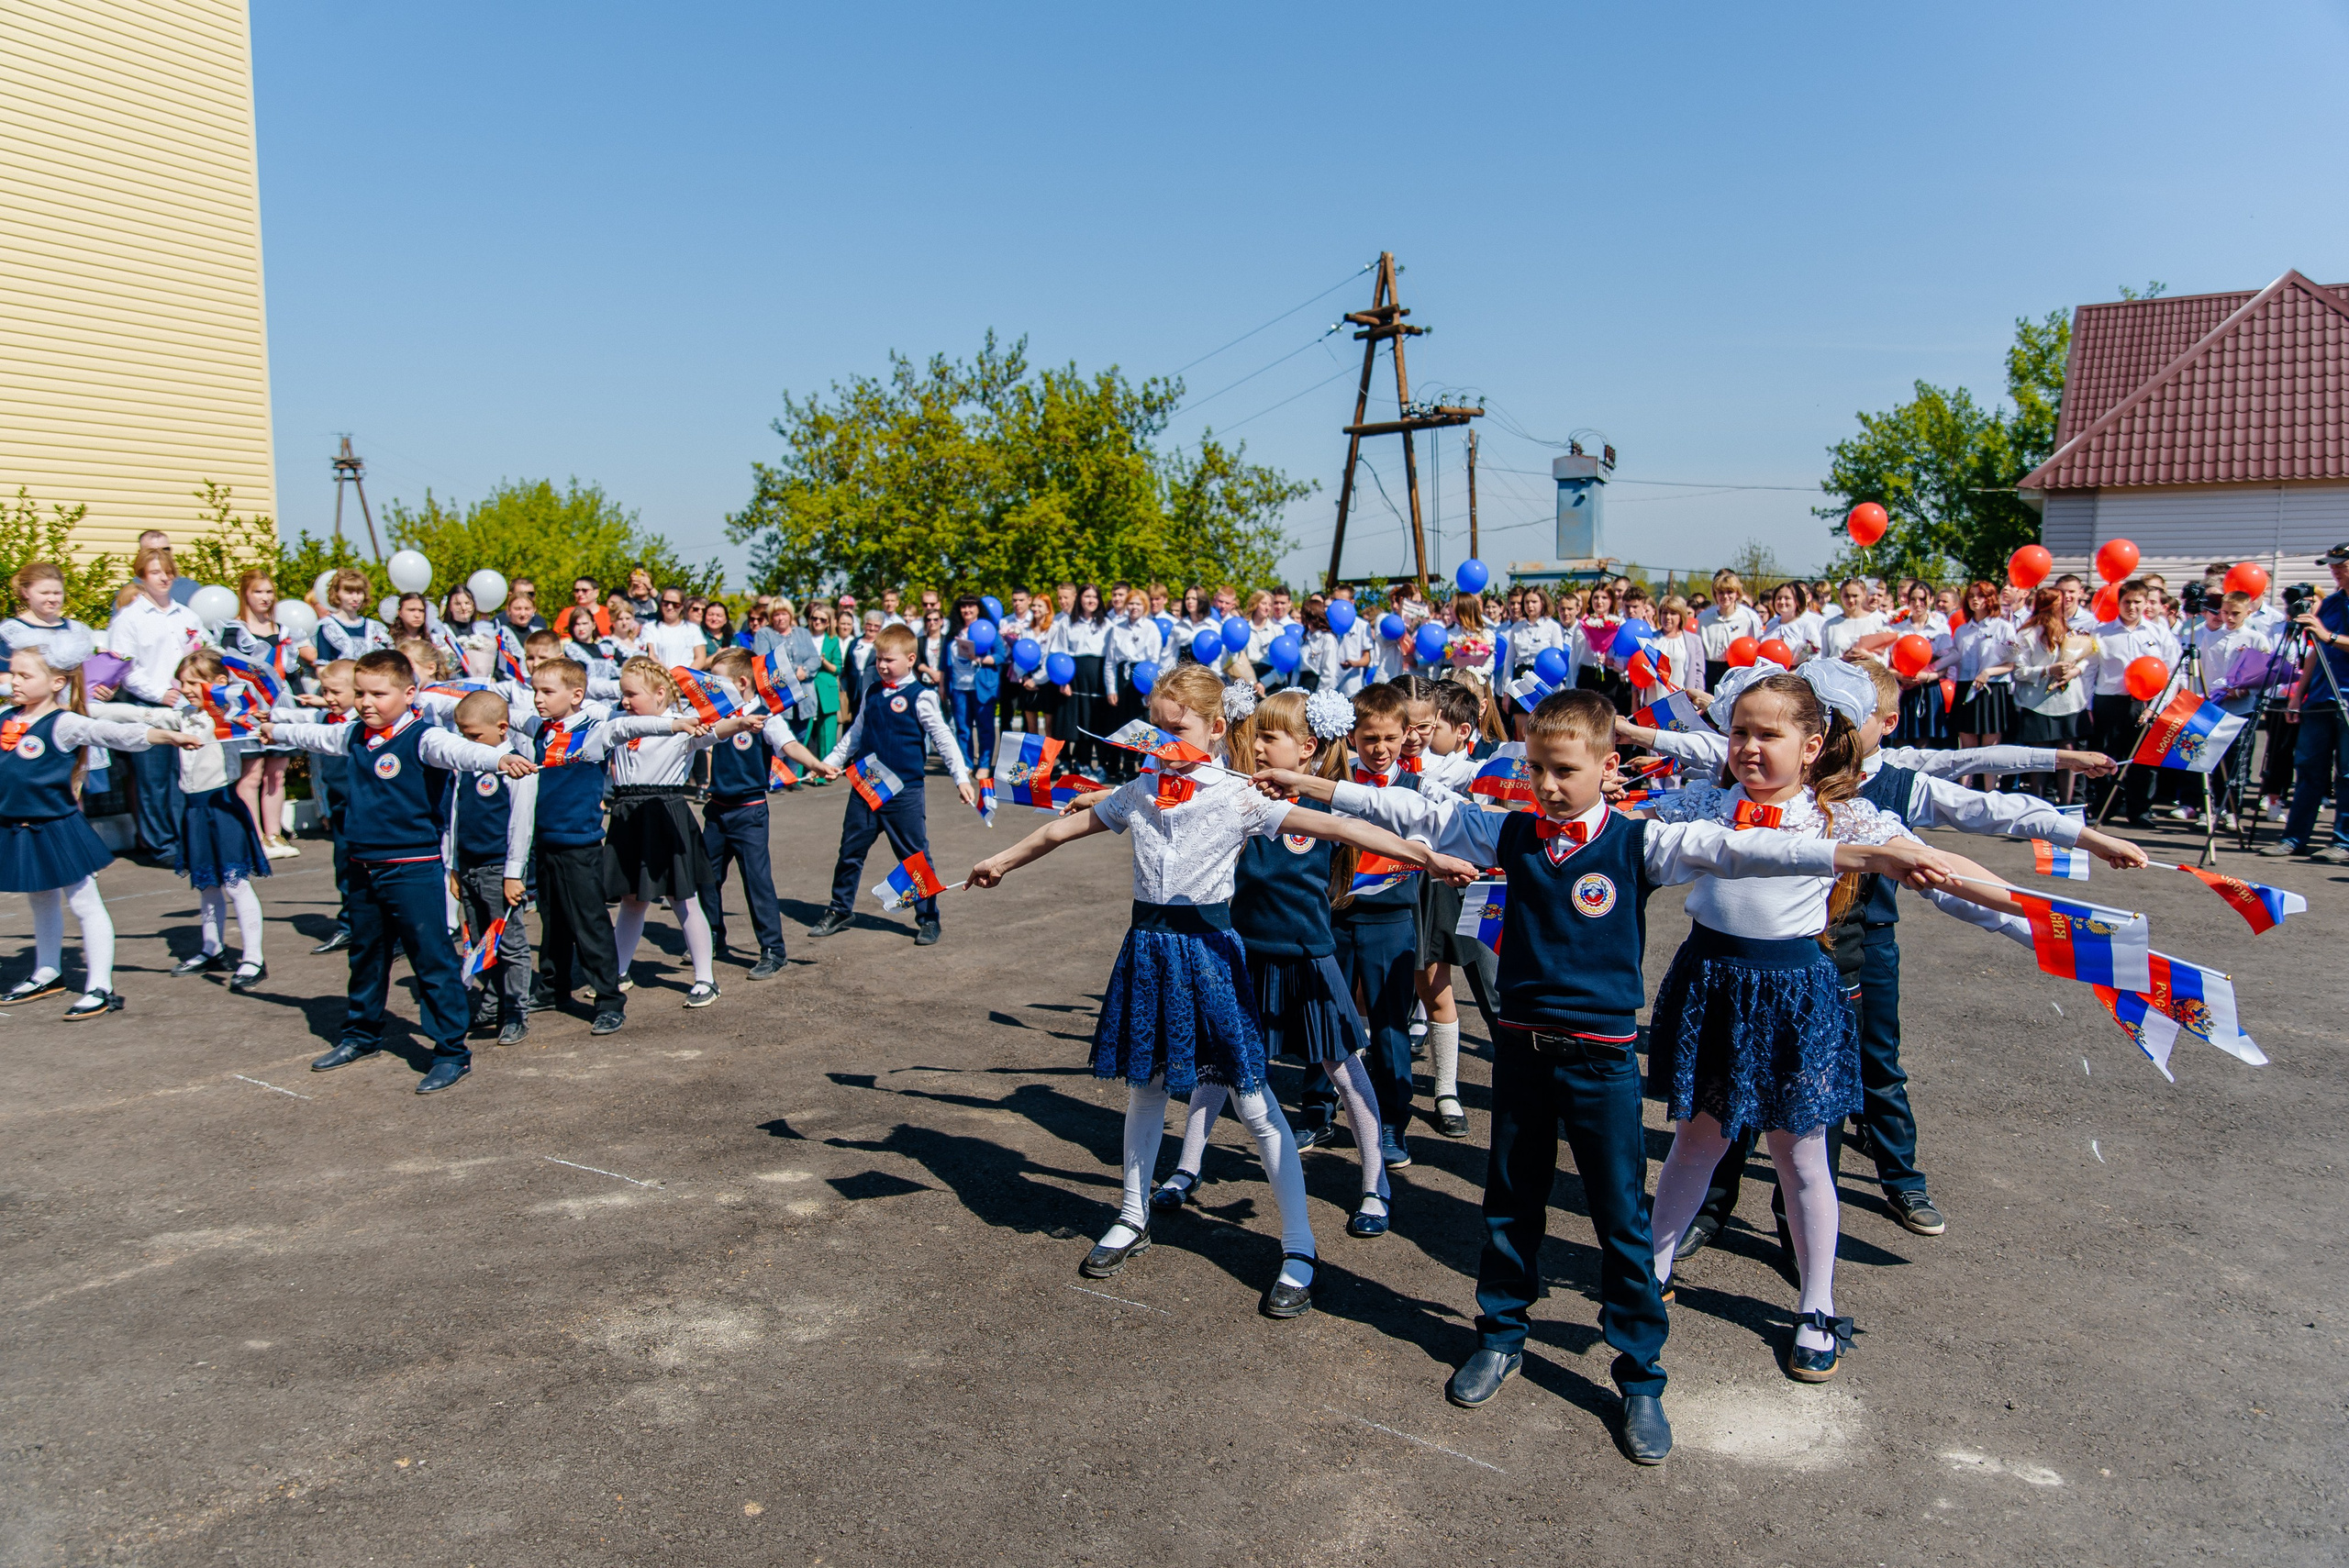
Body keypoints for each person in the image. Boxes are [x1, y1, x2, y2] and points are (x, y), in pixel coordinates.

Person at [968, 663, 1474, 1317]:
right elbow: (1062, 828)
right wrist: (1001, 861)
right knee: (1146, 1087)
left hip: (1210, 953)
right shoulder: (1142, 789)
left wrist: (1426, 856)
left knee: (1255, 1101)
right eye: (1157, 724)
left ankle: (1298, 1244)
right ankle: (1131, 1210)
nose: (1161, 738)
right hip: (1148, 951)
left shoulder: (1237, 796)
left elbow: (1343, 828)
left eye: (1176, 727)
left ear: (1213, 730)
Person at [1640, 666, 2016, 1380]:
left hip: (1794, 994)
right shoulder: (1704, 802)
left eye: (1768, 734)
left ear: (1812, 746)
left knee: (1802, 1158)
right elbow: (1617, 829)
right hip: (1711, 983)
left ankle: (1817, 1303)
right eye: (1739, 732)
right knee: (1695, 1140)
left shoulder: (1842, 818)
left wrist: (2035, 922)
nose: (1749, 747)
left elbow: (1937, 866)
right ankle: (1649, 1269)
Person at [266, 650, 535, 1093]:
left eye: (378, 693)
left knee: (431, 958)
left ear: (410, 694)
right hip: (362, 866)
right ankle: (361, 1034)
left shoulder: (424, 738)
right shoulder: (354, 734)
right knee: (366, 956)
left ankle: (451, 1051)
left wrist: (498, 760)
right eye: (360, 693)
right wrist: (271, 728)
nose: (366, 702)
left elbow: (461, 751)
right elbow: (313, 735)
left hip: (411, 868)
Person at [0, 630, 197, 1018]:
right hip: (17, 826)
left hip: (57, 826)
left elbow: (112, 731)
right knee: (39, 898)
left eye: (24, 676)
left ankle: (101, 985)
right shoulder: (7, 717)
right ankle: (47, 970)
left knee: (84, 903)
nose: (14, 682)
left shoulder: (63, 722)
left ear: (57, 682)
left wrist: (161, 735)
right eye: (12, 674)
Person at [809, 624, 977, 946]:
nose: (882, 666)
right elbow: (855, 734)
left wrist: (960, 777)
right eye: (878, 659)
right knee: (850, 851)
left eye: (889, 660)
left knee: (914, 857)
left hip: (905, 793)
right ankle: (840, 908)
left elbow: (943, 738)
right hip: (866, 789)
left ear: (911, 659)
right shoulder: (872, 692)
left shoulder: (922, 696)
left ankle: (928, 918)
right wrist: (831, 761)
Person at [1322, 681, 1426, 1171]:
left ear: (1406, 735)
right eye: (1369, 740)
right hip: (1338, 916)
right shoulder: (1336, 784)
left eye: (1389, 738)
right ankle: (1317, 1109)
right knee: (1326, 1016)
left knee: (1389, 1026)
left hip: (1391, 921)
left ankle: (1391, 1122)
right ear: (1352, 739)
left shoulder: (1419, 790)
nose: (1379, 749)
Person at [696, 650, 837, 977]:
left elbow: (789, 746)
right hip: (716, 812)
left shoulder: (765, 715)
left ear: (742, 683)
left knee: (757, 883)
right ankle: (712, 940)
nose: (712, 688)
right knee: (706, 879)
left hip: (749, 814)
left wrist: (816, 764)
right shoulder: (715, 715)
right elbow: (695, 743)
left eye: (718, 681)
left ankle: (773, 950)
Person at [153, 648, 273, 990]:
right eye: (183, 682)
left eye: (195, 682)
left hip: (222, 806)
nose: (187, 688)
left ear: (219, 682)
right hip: (194, 809)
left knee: (235, 883)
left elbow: (257, 717)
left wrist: (252, 715)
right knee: (206, 883)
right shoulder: (185, 715)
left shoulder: (229, 718)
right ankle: (212, 947)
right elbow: (141, 717)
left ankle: (253, 957)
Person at [442, 690, 538, 1045]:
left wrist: (514, 873)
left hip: (499, 870)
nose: (468, 744)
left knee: (510, 943)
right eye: (464, 737)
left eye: (474, 736)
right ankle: (493, 1000)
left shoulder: (517, 765)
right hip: (469, 867)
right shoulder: (465, 765)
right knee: (482, 941)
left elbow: (521, 825)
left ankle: (516, 1010)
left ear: (501, 728)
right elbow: (455, 817)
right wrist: (453, 866)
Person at [104, 542, 206, 867]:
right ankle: (162, 845)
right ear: (141, 577)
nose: (164, 578)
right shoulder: (129, 618)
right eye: (156, 572)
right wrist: (161, 692)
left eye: (168, 571)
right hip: (148, 706)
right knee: (154, 779)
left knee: (185, 775)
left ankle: (185, 839)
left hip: (186, 707)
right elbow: (125, 668)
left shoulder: (187, 614)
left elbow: (203, 651)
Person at [2265, 545, 2349, 862]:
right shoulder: (2332, 602)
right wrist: (2298, 694)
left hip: (2347, 700)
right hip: (2321, 698)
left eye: (2342, 564)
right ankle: (2295, 838)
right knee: (2309, 769)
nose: (2335, 569)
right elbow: (2316, 650)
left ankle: (2343, 841)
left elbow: (2325, 639)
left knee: (2347, 775)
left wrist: (2326, 636)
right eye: (2332, 565)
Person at [2087, 578, 2177, 826]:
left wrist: (2155, 707)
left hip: (2145, 703)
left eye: (2137, 602)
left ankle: (2140, 811)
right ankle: (2105, 807)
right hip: (2110, 701)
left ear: (2146, 603)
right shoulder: (2103, 632)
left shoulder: (2159, 633)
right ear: (2119, 603)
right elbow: (2090, 672)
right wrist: (2088, 707)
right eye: (2127, 602)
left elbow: (2171, 671)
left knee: (2142, 760)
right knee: (2107, 756)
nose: (2132, 607)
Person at [1052, 584, 1112, 778]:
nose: (1091, 601)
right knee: (1081, 722)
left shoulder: (1108, 625)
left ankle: (1103, 765)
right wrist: (1064, 680)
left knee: (1099, 723)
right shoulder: (1068, 623)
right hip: (1075, 679)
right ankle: (1084, 764)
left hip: (1099, 678)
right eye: (1087, 596)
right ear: (1080, 599)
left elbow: (1112, 656)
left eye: (1095, 597)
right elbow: (1060, 652)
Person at [1696, 570, 1765, 688]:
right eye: (1721, 592)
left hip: (1737, 671)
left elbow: (1757, 645)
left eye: (1730, 592)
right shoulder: (1704, 619)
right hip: (1710, 670)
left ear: (1737, 594)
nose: (1725, 596)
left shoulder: (1748, 618)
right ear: (1715, 594)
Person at [807, 603, 844, 765]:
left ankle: (824, 770)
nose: (817, 622)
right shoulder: (803, 636)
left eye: (822, 620)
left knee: (827, 733)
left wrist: (823, 661)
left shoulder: (833, 640)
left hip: (827, 688)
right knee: (804, 732)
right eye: (814, 618)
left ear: (828, 623)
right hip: (807, 687)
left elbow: (837, 668)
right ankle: (797, 773)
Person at [641, 586, 706, 671]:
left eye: (676, 604)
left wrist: (685, 676)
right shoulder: (650, 628)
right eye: (666, 603)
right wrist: (670, 676)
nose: (670, 607)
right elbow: (651, 656)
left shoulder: (693, 629)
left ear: (682, 606)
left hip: (688, 680)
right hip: (660, 678)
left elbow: (700, 658)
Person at [554, 577, 609, 646]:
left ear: (596, 592)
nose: (580, 594)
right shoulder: (567, 613)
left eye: (584, 590)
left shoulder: (608, 613)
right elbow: (560, 636)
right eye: (576, 591)